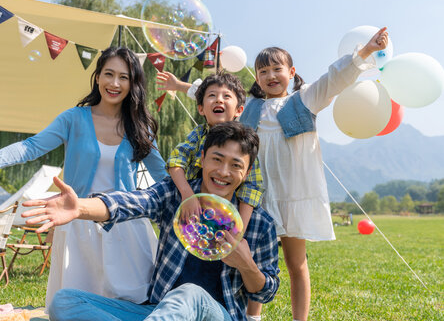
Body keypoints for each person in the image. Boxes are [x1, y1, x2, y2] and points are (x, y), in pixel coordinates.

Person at [156, 28, 389, 321]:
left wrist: (365, 51)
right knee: (251, 257)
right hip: (254, 197)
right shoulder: (250, 107)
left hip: (294, 196)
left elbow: (335, 78)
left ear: (291, 72)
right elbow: (218, 98)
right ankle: (253, 316)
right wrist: (180, 86)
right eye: (263, 71)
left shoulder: (305, 100)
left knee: (296, 262)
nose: (270, 76)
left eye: (277, 69)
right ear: (256, 78)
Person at [0, 47, 168, 310]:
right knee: (78, 308)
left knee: (133, 304)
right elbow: (30, 147)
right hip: (78, 225)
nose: (114, 83)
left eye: (123, 77)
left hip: (127, 227)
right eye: (108, 74)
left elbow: (165, 178)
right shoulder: (74, 119)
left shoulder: (140, 126)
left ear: (133, 83)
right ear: (97, 76)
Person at [22, 121, 280, 321]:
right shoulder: (176, 194)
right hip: (160, 313)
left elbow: (265, 291)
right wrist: (80, 207)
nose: (224, 172)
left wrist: (247, 265)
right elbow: (132, 202)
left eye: (235, 165)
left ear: (246, 172)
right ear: (202, 158)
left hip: (217, 314)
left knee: (190, 294)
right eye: (217, 159)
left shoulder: (259, 223)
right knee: (65, 301)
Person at [165, 72, 265, 320]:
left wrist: (238, 229)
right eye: (211, 96)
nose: (218, 100)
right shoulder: (198, 136)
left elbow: (252, 189)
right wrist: (188, 195)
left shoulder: (245, 144)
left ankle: (251, 315)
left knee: (241, 258)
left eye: (226, 96)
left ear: (239, 109)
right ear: (201, 108)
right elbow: (175, 161)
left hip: (231, 216)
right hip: (196, 211)